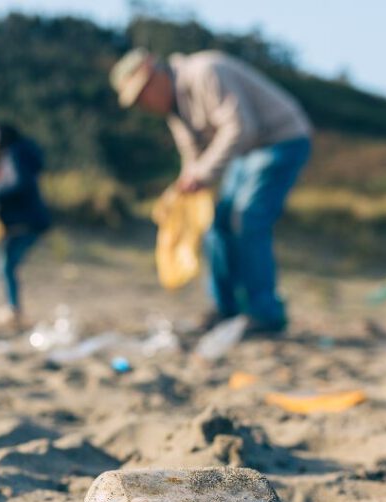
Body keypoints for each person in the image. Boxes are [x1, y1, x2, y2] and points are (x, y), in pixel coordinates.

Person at [110, 48, 312, 334]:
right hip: (246, 152)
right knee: (217, 226)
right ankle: (225, 308)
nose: (144, 103)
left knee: (247, 219)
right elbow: (191, 155)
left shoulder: (205, 71)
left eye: (142, 94)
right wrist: (184, 186)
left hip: (281, 140)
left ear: (154, 74)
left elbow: (240, 127)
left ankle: (265, 313)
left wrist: (202, 174)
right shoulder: (175, 108)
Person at [0, 124, 52, 329]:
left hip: (24, 222)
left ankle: (13, 310)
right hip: (27, 220)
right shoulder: (18, 154)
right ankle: (13, 308)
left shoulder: (13, 155)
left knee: (5, 263)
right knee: (6, 263)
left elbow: (18, 183)